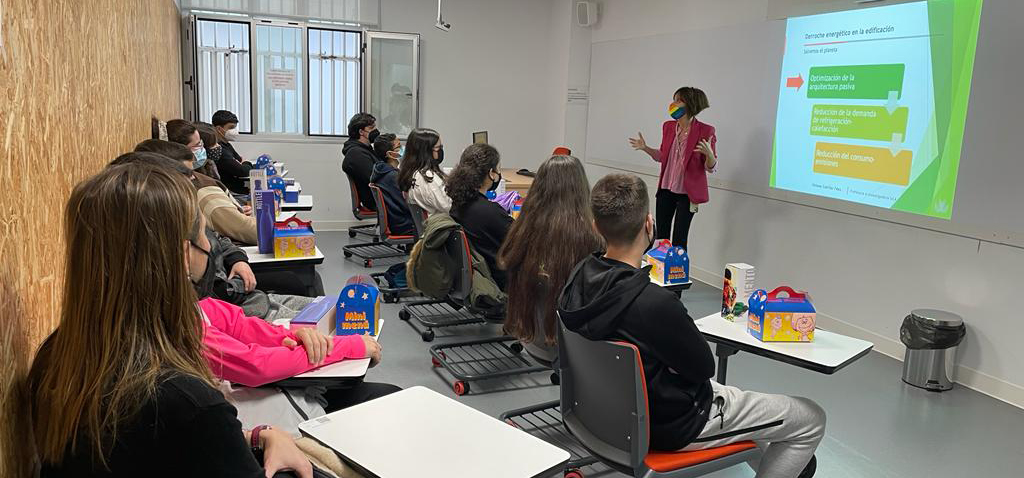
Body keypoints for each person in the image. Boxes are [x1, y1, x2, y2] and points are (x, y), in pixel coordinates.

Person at [27, 161, 314, 477]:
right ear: (181, 255)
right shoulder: (188, 402)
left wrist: (257, 436)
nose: (209, 245)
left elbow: (154, 452)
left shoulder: (54, 358)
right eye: (204, 235)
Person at [557, 174, 824, 478]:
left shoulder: (576, 281)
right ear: (649, 225)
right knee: (810, 417)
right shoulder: (653, 302)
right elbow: (702, 368)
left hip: (602, 416)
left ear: (596, 227)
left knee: (753, 415)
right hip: (672, 426)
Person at [497, 154, 603, 363]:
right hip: (570, 347)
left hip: (530, 337)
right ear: (581, 188)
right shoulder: (591, 239)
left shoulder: (522, 229)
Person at [628, 87, 718, 250]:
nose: (673, 103)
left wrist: (710, 154)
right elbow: (662, 157)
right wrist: (645, 148)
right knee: (660, 237)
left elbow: (710, 166)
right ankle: (658, 272)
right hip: (666, 189)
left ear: (690, 104)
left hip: (687, 194)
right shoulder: (668, 126)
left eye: (678, 100)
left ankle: (677, 274)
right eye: (674, 99)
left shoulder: (705, 130)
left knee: (679, 239)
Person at [134, 139, 257, 245]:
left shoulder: (192, 189)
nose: (192, 177)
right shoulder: (200, 193)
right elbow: (249, 231)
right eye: (197, 144)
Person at [447, 143, 512, 290]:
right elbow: (523, 240)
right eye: (497, 169)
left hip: (480, 277)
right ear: (491, 173)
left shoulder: (458, 205)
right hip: (499, 280)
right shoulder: (490, 212)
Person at [370, 133, 415, 236]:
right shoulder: (392, 176)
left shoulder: (381, 170)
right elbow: (407, 205)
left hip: (397, 221)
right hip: (405, 224)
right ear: (390, 154)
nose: (403, 148)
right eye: (398, 147)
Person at [397, 128, 449, 216]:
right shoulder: (428, 179)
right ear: (425, 152)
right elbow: (447, 207)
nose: (440, 151)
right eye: (438, 148)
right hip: (439, 225)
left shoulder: (409, 171)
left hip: (427, 222)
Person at [342, 112, 380, 213]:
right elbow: (377, 179)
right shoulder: (356, 154)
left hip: (382, 198)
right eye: (371, 128)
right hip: (378, 201)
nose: (375, 131)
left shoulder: (366, 149)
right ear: (361, 132)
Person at [211, 110, 253, 195]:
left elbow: (239, 159)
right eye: (231, 128)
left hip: (238, 189)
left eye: (235, 127)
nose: (234, 131)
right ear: (219, 129)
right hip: (231, 192)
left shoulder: (226, 144)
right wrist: (245, 162)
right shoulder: (218, 149)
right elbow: (242, 171)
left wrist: (242, 162)